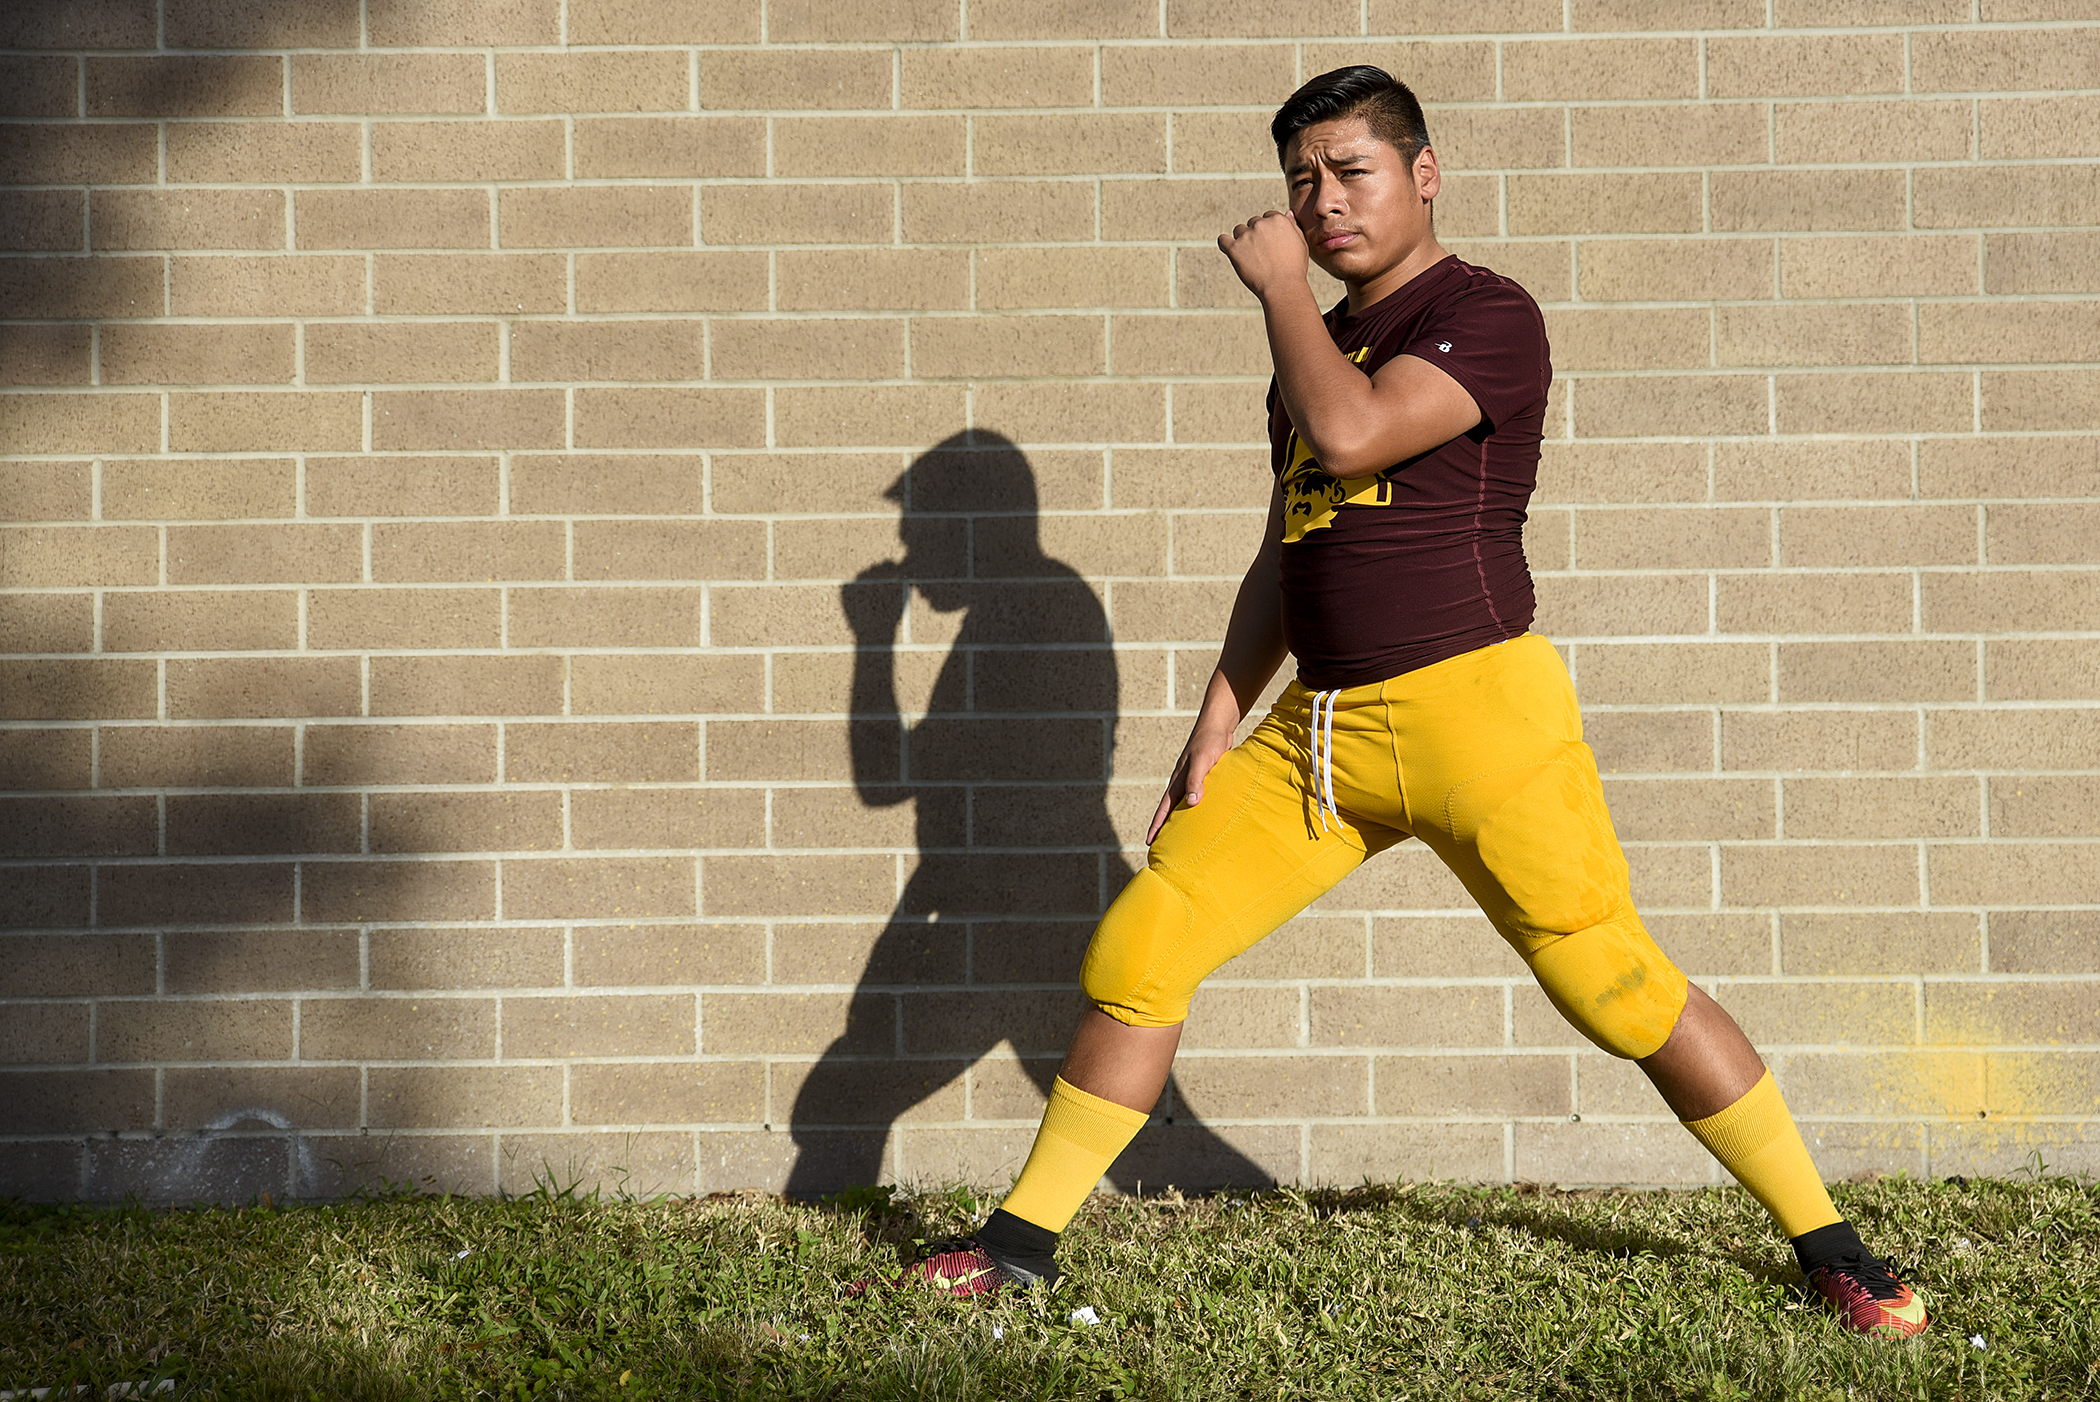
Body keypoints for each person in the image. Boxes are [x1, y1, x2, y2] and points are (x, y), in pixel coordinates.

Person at [886, 66, 1927, 1338]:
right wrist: (1218, 714)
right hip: (1319, 736)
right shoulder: (1309, 354)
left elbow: (1359, 436)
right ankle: (1020, 1245)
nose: (1321, 204)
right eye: (1300, 182)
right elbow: (1291, 539)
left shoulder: (1486, 313)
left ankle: (1833, 1246)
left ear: (1423, 172)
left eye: (1350, 171)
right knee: (1140, 949)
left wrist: (1277, 292)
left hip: (1478, 715)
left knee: (1615, 987)